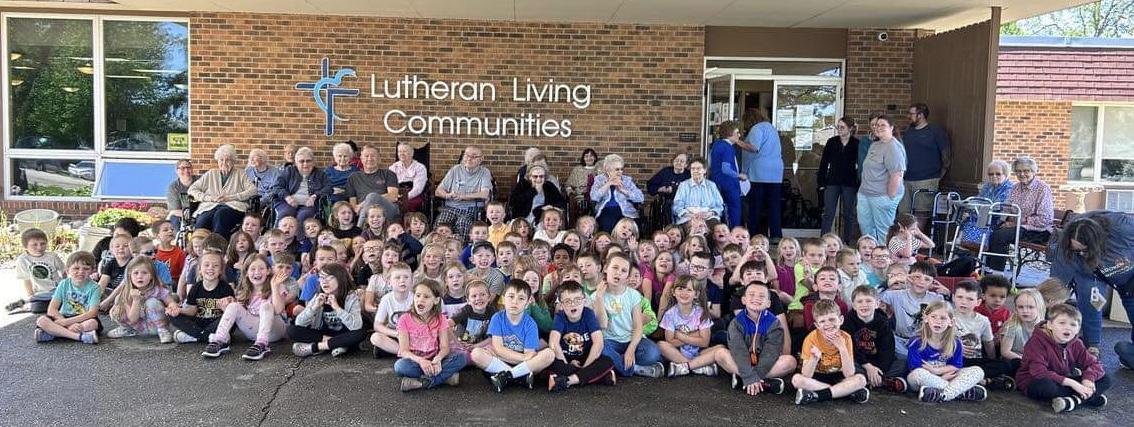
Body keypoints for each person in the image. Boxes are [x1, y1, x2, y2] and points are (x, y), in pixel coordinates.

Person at [1049, 210, 1134, 359]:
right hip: (1091, 274)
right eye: (1077, 250)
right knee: (1091, 300)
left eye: (1084, 249)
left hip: (1130, 275)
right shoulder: (1065, 247)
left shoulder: (1124, 228)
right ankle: (1092, 346)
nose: (1081, 253)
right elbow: (1056, 286)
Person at [1017, 304, 1111, 413]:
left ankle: (1073, 401)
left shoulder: (1076, 343)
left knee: (1105, 378)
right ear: (1050, 325)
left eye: (1073, 324)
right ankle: (1087, 397)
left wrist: (1088, 380)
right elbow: (1039, 373)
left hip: (1062, 380)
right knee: (1046, 386)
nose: (1067, 328)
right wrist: (1074, 384)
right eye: (1062, 323)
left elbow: (1094, 364)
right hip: (1034, 381)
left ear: (1078, 329)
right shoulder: (1036, 342)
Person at [470, 280, 556, 392]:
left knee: (549, 354)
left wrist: (522, 358)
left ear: (527, 303)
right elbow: (498, 348)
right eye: (511, 296)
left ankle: (507, 377)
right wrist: (522, 358)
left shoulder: (530, 324)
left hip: (524, 364)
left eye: (521, 298)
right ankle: (520, 377)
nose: (514, 301)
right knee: (476, 353)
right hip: (504, 363)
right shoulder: (497, 318)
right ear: (504, 298)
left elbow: (529, 354)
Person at [202, 254, 291, 360]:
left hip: (275, 330)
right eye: (252, 269)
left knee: (266, 306)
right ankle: (219, 340)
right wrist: (226, 309)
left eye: (261, 268)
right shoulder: (243, 291)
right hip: (253, 332)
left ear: (268, 271)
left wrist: (274, 286)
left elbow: (278, 309)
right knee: (233, 306)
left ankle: (262, 345)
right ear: (247, 273)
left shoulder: (278, 285)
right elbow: (239, 316)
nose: (257, 272)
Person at [595, 253, 664, 377]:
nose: (618, 273)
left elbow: (638, 326)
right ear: (606, 268)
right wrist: (599, 298)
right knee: (599, 349)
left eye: (623, 270)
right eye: (615, 268)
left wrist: (631, 350)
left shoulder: (633, 295)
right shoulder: (596, 295)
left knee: (653, 353)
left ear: (627, 276)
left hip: (630, 339)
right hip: (609, 341)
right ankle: (635, 369)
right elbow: (602, 324)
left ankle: (616, 365)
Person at [907, 301, 988, 403]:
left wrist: (937, 371)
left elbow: (956, 366)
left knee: (978, 371)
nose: (938, 321)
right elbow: (916, 367)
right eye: (933, 317)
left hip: (949, 376)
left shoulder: (956, 343)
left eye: (943, 318)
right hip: (924, 379)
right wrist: (941, 378)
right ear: (926, 318)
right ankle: (961, 392)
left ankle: (943, 395)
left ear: (951, 322)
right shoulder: (916, 341)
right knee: (919, 374)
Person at [791, 300, 870, 405]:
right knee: (797, 380)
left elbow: (849, 373)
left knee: (861, 380)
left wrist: (842, 348)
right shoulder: (811, 339)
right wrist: (814, 359)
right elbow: (806, 374)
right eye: (822, 321)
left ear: (841, 320)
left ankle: (818, 395)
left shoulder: (846, 338)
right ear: (817, 325)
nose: (828, 324)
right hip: (817, 377)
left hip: (839, 377)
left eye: (832, 319)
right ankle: (844, 392)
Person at [395, 279, 467, 392]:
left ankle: (422, 383)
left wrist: (437, 359)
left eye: (426, 297)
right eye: (418, 296)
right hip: (416, 362)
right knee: (400, 366)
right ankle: (445, 378)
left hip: (435, 360)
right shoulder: (404, 319)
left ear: (436, 300)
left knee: (461, 358)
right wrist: (421, 361)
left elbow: (444, 347)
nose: (420, 300)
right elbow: (404, 351)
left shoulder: (440, 318)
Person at [985, 156, 1054, 272]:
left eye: (1026, 171)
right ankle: (986, 269)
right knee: (990, 230)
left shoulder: (1042, 189)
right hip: (1016, 226)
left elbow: (1045, 219)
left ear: (1033, 171)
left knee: (999, 236)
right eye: (1018, 171)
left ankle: (996, 274)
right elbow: (1007, 208)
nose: (1022, 174)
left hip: (1037, 230)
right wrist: (1004, 220)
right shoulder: (1016, 188)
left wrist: (1017, 222)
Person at [725, 281, 794, 396]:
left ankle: (743, 380)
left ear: (768, 303)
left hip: (764, 364)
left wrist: (752, 376)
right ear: (744, 300)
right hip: (742, 362)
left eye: (762, 296)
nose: (756, 298)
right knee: (720, 354)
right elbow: (738, 351)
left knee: (790, 361)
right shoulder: (736, 323)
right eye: (751, 295)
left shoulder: (774, 323)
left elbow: (771, 353)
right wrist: (749, 375)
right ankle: (764, 383)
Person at [288, 263, 367, 357]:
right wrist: (314, 307)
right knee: (292, 329)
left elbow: (356, 326)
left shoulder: (351, 297)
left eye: (329, 278)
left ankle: (315, 348)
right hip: (324, 335)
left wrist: (337, 308)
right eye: (321, 278)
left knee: (360, 333)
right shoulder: (319, 296)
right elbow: (300, 323)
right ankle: (337, 344)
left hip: (345, 333)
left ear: (340, 278)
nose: (324, 282)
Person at [658, 276, 729, 377]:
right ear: (673, 292)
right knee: (661, 345)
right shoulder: (670, 314)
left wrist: (680, 335)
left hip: (699, 353)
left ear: (696, 294)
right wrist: (696, 335)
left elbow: (704, 342)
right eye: (680, 289)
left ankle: (685, 367)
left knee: (721, 348)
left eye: (689, 290)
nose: (684, 293)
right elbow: (671, 342)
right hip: (678, 353)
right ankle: (697, 367)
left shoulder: (701, 313)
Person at [842, 285, 906, 392]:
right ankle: (882, 382)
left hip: (878, 363)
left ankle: (868, 381)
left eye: (868, 301)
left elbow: (888, 351)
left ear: (877, 304)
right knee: (845, 363)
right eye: (860, 301)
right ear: (853, 305)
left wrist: (876, 370)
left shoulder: (883, 322)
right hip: (859, 362)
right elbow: (850, 349)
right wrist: (868, 367)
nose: (864, 305)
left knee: (903, 363)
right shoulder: (847, 321)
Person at [856, 114, 906, 243]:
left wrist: (890, 197)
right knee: (866, 229)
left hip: (881, 195)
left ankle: (886, 259)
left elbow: (897, 174)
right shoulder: (875, 145)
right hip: (865, 193)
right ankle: (871, 258)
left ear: (892, 127)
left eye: (883, 125)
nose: (878, 128)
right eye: (877, 125)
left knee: (884, 231)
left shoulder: (893, 146)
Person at [33, 251, 101, 344]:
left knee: (92, 323)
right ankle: (79, 337)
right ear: (68, 270)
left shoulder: (95, 287)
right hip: (62, 316)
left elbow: (92, 313)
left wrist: (66, 323)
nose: (81, 272)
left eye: (86, 269)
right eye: (76, 268)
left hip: (82, 318)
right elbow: (52, 309)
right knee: (41, 321)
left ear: (93, 270)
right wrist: (66, 323)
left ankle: (54, 333)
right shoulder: (64, 284)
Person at [188, 144, 258, 235]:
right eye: (221, 159)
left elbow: (253, 191)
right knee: (203, 219)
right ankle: (199, 246)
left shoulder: (240, 174)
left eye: (228, 160)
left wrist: (231, 197)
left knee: (221, 214)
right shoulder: (211, 173)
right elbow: (192, 190)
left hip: (234, 207)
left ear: (233, 161)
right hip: (210, 206)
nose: (224, 162)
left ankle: (219, 245)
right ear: (217, 161)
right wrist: (209, 198)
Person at [106, 257, 178, 343]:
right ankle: (127, 329)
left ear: (151, 276)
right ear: (130, 276)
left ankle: (163, 331)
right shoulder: (127, 292)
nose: (140, 276)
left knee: (152, 302)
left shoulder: (157, 289)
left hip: (155, 326)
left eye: (144, 273)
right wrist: (136, 300)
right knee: (117, 306)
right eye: (135, 273)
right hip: (138, 327)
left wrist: (172, 307)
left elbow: (171, 302)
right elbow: (133, 318)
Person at [169, 252, 234, 344]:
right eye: (206, 265)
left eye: (215, 265)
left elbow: (231, 312)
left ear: (220, 270)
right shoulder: (196, 288)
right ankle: (207, 337)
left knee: (230, 318)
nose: (210, 268)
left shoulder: (226, 288)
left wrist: (225, 309)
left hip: (216, 324)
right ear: (200, 269)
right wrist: (179, 310)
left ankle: (195, 337)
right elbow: (192, 310)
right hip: (198, 324)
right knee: (172, 315)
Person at [738, 109, 783, 239]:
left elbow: (753, 147)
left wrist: (738, 142)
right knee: (774, 206)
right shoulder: (771, 128)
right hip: (776, 174)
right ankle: (776, 235)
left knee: (755, 206)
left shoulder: (756, 129)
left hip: (759, 173)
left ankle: (755, 235)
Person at [899, 103, 951, 215]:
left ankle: (915, 233)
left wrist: (938, 176)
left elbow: (946, 155)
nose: (909, 116)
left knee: (921, 211)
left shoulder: (935, 131)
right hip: (906, 179)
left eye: (911, 113)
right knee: (904, 213)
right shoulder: (909, 131)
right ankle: (907, 233)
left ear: (921, 115)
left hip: (926, 179)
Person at [435, 146, 493, 241]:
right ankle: (439, 249)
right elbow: (438, 191)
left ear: (481, 159)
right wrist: (447, 195)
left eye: (474, 156)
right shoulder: (455, 170)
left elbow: (485, 194)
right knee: (442, 223)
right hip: (450, 207)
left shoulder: (484, 172)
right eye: (466, 155)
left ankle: (460, 249)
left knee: (462, 223)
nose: (469, 159)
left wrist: (464, 196)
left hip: (471, 209)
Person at [818, 117, 860, 243]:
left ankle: (848, 240)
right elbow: (824, 162)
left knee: (849, 213)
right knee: (828, 213)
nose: (839, 130)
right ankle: (823, 241)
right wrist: (821, 181)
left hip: (849, 182)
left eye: (842, 127)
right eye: (838, 127)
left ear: (850, 129)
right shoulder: (832, 142)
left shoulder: (856, 143)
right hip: (832, 181)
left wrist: (859, 182)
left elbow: (861, 164)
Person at [272, 147, 331, 227]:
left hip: (309, 205)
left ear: (313, 162)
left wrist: (315, 196)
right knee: (286, 214)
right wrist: (287, 197)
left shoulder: (320, 174)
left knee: (304, 216)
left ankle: (301, 239)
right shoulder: (289, 171)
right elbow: (276, 187)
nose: (305, 164)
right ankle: (278, 238)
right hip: (287, 202)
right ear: (296, 163)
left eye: (308, 161)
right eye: (301, 161)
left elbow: (329, 188)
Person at [10, 228, 64, 314]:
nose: (39, 247)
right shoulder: (23, 260)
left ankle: (27, 303)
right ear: (25, 246)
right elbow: (26, 280)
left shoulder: (52, 257)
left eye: (43, 244)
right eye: (34, 245)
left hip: (57, 290)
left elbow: (64, 272)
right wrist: (31, 296)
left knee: (61, 304)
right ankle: (27, 302)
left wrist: (67, 287)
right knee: (37, 308)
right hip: (40, 293)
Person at [590, 154, 644, 233]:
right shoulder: (599, 180)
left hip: (626, 211)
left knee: (629, 225)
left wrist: (624, 190)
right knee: (607, 223)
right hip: (605, 210)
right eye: (617, 169)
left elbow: (640, 198)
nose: (620, 172)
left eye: (621, 169)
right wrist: (608, 184)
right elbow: (594, 197)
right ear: (607, 170)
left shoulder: (626, 180)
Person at [1000, 289, 1046, 376]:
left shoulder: (1045, 328)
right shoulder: (1012, 326)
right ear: (1016, 308)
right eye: (1020, 307)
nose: (1025, 311)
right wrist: (1025, 359)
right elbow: (1005, 352)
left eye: (1030, 307)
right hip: (1016, 359)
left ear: (1039, 307)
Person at [672, 156, 724, 226]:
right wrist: (690, 215)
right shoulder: (683, 185)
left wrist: (710, 213)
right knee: (694, 226)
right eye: (693, 169)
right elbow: (676, 207)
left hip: (709, 218)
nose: (695, 171)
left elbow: (719, 206)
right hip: (688, 217)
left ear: (705, 170)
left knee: (714, 227)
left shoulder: (712, 185)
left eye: (698, 168)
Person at [389, 142, 428, 213]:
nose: (401, 154)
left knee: (405, 205)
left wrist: (404, 198)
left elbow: (418, 189)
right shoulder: (393, 167)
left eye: (405, 151)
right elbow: (389, 185)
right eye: (399, 151)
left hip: (413, 195)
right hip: (396, 194)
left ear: (412, 154)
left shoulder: (420, 168)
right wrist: (395, 197)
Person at [166, 159, 196, 231]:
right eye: (182, 168)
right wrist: (191, 215)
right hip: (182, 215)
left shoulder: (200, 181)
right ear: (177, 171)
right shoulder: (173, 187)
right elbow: (175, 210)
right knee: (174, 219)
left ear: (192, 169)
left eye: (188, 168)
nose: (186, 170)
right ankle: (177, 241)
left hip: (201, 213)